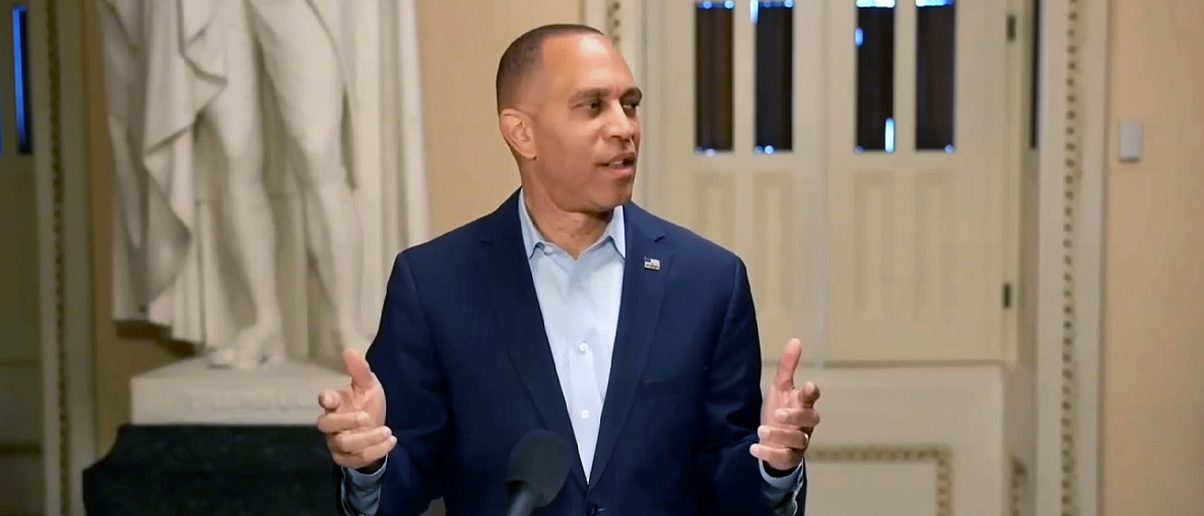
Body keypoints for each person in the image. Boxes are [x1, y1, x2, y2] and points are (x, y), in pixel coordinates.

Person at [316, 23, 822, 516]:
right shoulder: (435, 285)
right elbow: (401, 487)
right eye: (593, 106)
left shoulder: (708, 281)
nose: (624, 128)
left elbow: (730, 481)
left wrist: (773, 468)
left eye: (630, 105)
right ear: (522, 133)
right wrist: (369, 464)